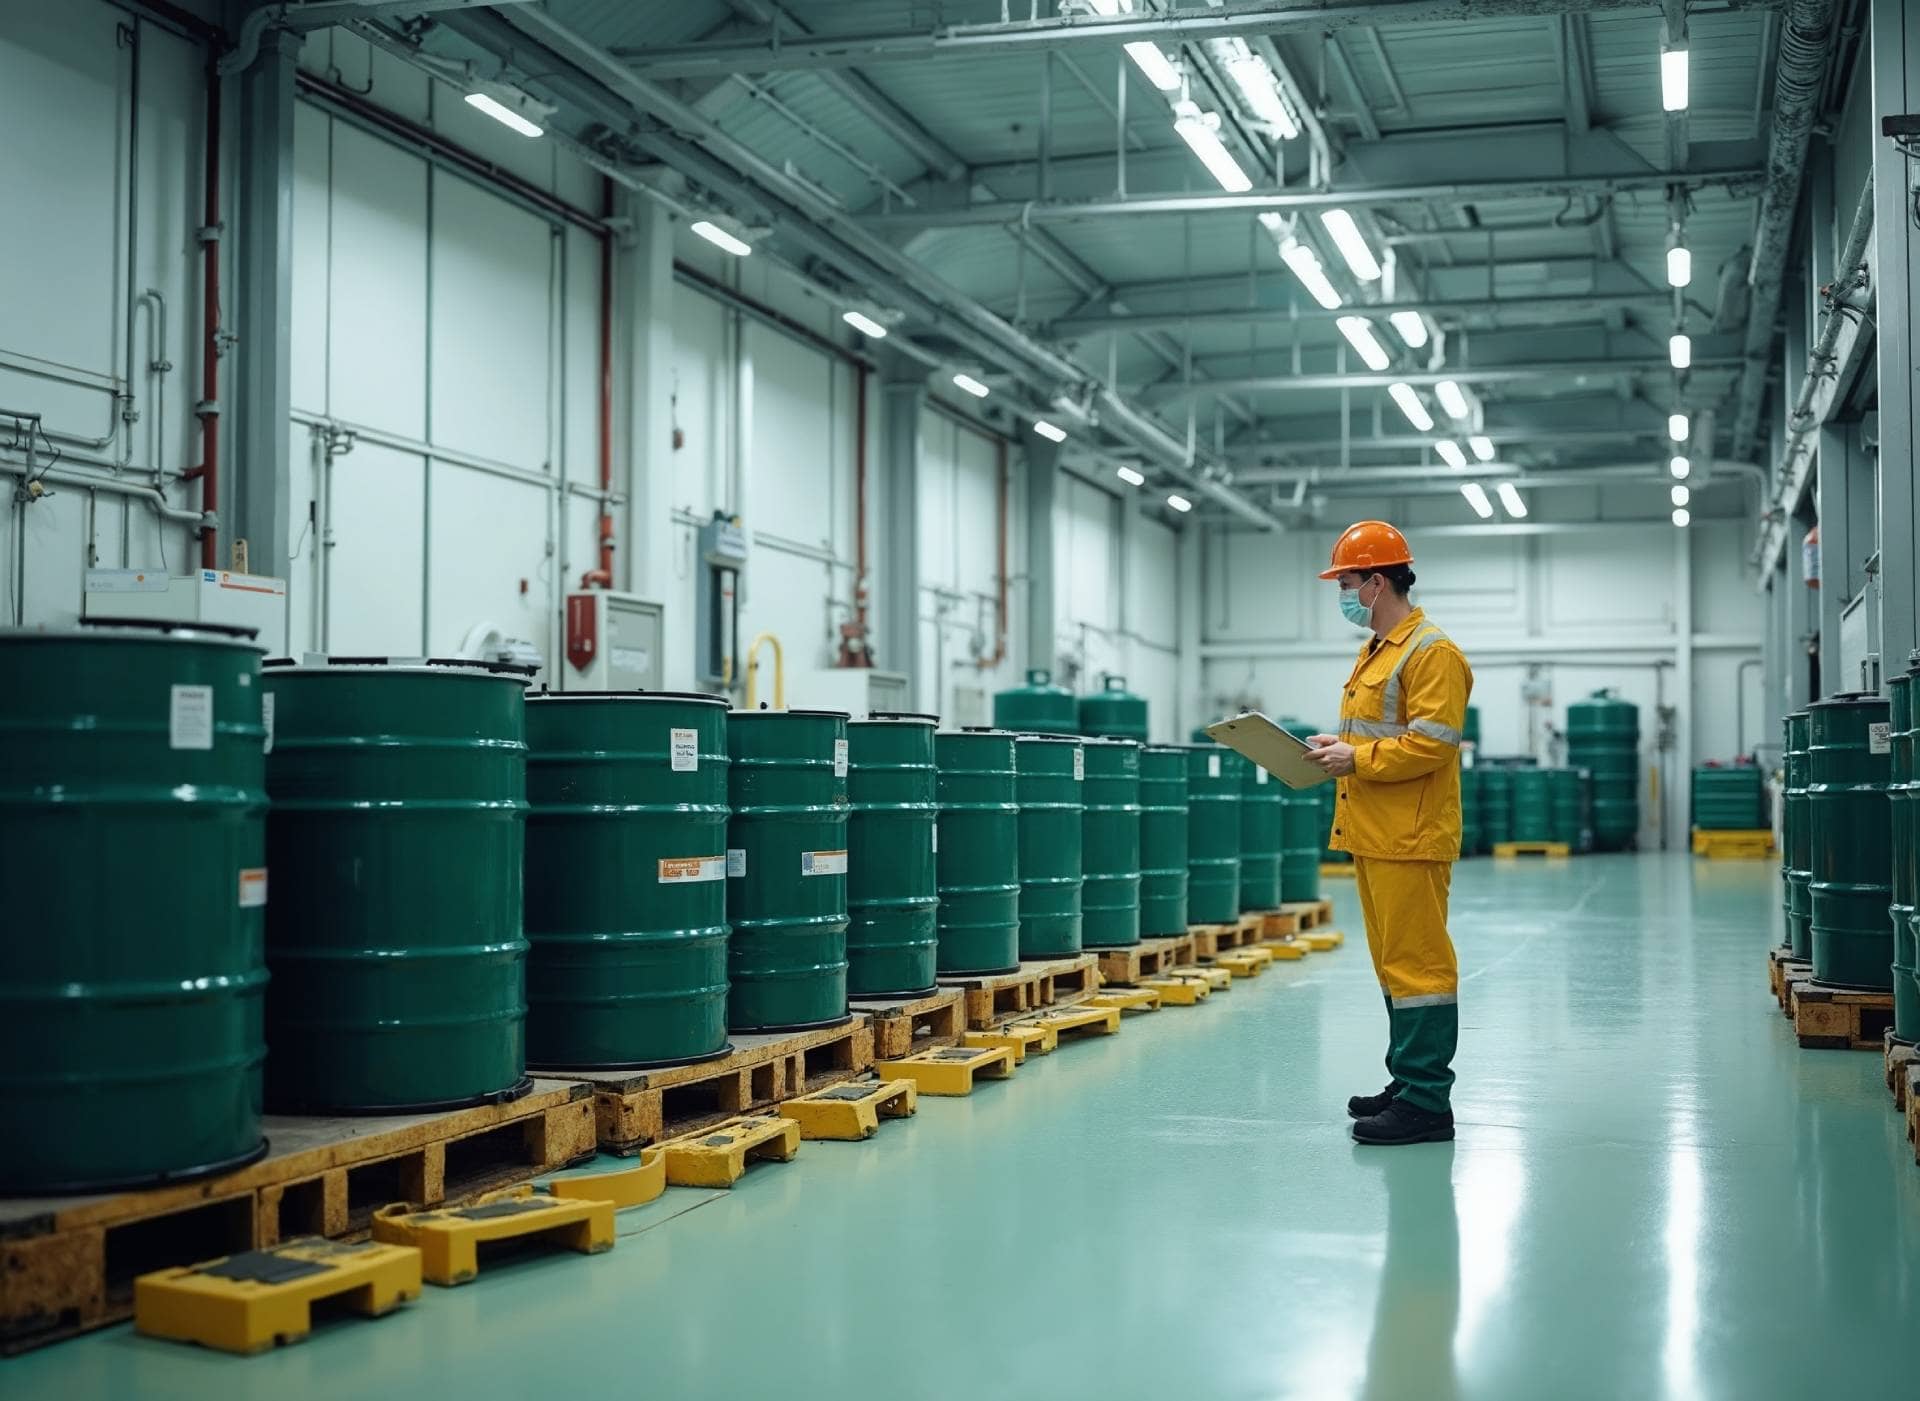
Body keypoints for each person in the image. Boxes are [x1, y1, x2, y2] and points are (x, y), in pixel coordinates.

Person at [1304, 520, 1473, 1146]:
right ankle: (1407, 1082)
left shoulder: (1432, 653)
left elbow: (1433, 745)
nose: (1342, 595)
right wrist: (1339, 746)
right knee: (1393, 966)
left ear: (1377, 582)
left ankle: (1429, 1103)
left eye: (1346, 583)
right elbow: (1383, 734)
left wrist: (1358, 760)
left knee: (1420, 970)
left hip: (1411, 835)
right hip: (1374, 832)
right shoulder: (1380, 651)